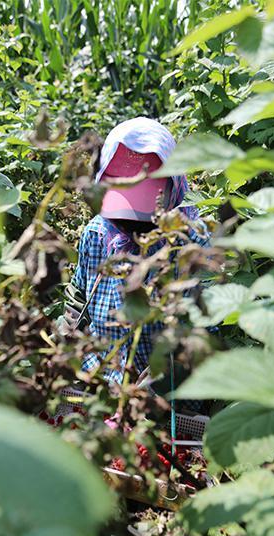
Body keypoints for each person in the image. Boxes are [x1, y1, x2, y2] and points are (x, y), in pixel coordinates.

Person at [58, 116, 209, 390]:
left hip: (168, 390)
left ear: (173, 188)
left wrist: (166, 373)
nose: (132, 225)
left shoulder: (189, 241)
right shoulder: (97, 234)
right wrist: (69, 339)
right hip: (101, 379)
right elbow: (79, 294)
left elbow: (205, 322)